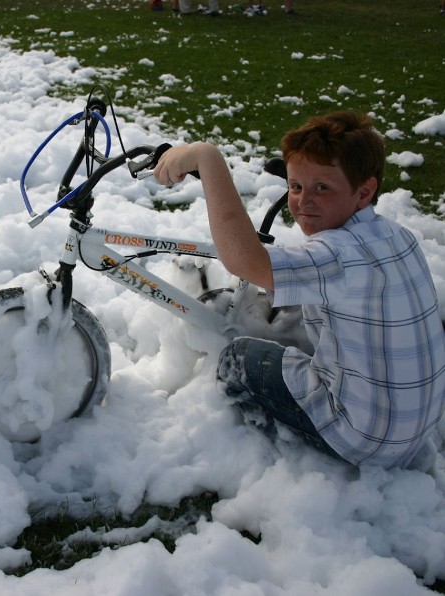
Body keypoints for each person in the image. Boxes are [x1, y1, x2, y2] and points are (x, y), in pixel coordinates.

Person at [153, 111, 445, 468]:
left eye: (322, 188)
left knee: (236, 358)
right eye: (295, 187)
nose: (303, 202)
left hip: (367, 440)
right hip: (419, 422)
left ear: (364, 191)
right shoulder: (396, 235)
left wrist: (206, 157)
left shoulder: (336, 255)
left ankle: (282, 460)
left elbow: (243, 258)